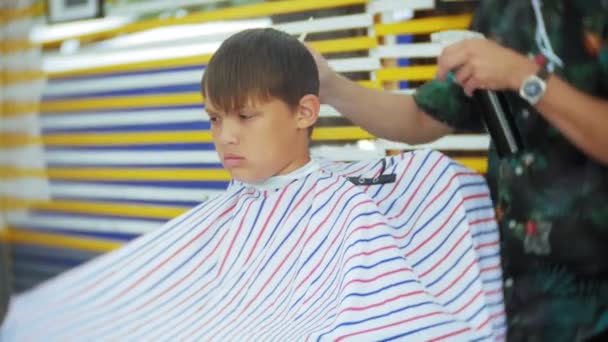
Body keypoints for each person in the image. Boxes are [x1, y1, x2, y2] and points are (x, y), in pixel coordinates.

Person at [0, 28, 504, 341]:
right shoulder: (236, 205)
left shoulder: (345, 209)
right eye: (215, 119)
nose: (226, 137)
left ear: (306, 112)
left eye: (245, 115)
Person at [308, 1, 608, 341]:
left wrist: (523, 76)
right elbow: (423, 117)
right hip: (520, 294)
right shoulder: (501, 12)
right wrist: (330, 85)